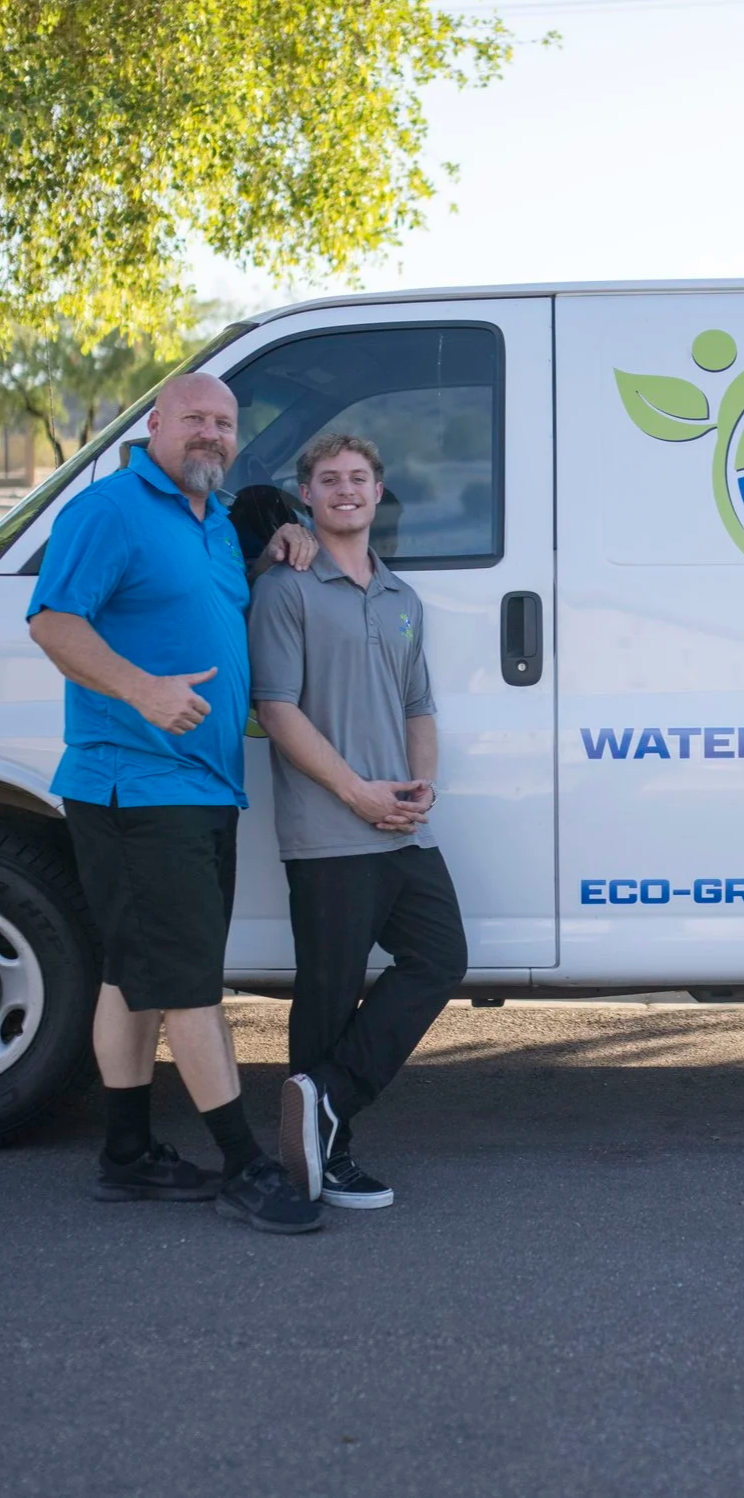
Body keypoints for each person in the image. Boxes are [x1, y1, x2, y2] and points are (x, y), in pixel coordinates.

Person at [27, 372, 324, 1234]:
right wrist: (144, 691)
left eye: (224, 423)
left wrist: (288, 538)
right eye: (193, 417)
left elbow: (232, 576)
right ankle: (243, 1162)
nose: (211, 432)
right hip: (135, 784)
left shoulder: (211, 523)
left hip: (198, 784)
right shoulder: (112, 508)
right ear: (153, 423)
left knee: (134, 972)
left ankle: (126, 1155)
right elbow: (53, 622)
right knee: (189, 979)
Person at [248, 432, 467, 1210]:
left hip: (401, 825)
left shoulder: (402, 600)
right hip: (328, 825)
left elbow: (419, 705)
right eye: (329, 479)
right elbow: (276, 709)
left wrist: (418, 787)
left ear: (379, 493)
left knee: (441, 956)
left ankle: (329, 1096)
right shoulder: (286, 588)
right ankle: (321, 1161)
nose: (346, 489)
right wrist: (355, 792)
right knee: (329, 991)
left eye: (360, 478)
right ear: (306, 495)